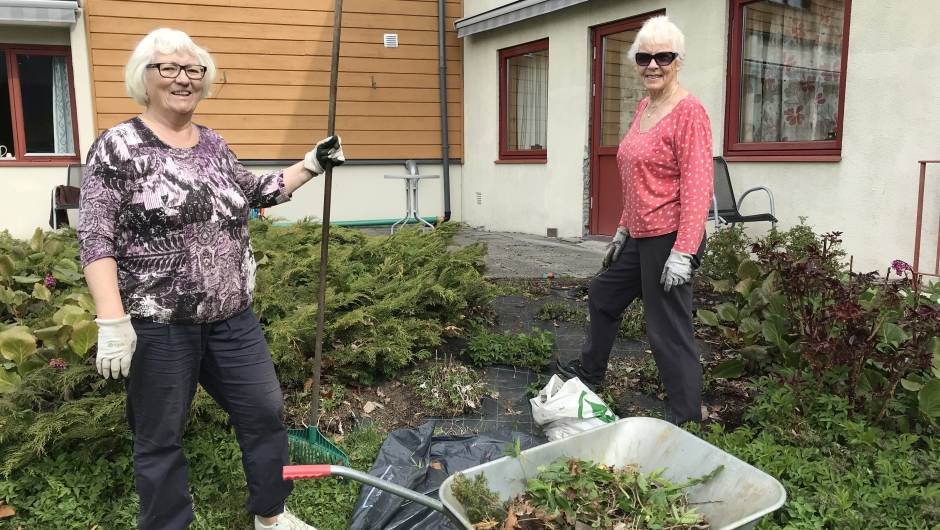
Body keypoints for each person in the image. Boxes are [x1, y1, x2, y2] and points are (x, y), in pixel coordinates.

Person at [78, 28, 344, 530]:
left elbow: (255, 191)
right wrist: (112, 320)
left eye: (194, 70)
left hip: (232, 319)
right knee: (159, 439)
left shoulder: (214, 144)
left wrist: (311, 164)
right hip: (159, 324)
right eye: (170, 69)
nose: (184, 79)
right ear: (145, 78)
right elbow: (95, 237)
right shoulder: (118, 147)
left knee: (265, 413)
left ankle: (271, 513)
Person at [556, 15, 713, 426]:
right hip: (640, 235)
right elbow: (634, 175)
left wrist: (684, 251)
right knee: (604, 294)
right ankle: (590, 373)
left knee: (667, 331)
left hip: (669, 238)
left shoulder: (689, 111)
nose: (653, 65)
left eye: (663, 56)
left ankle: (686, 419)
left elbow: (698, 186)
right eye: (644, 57)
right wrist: (623, 228)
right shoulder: (646, 106)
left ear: (679, 60)